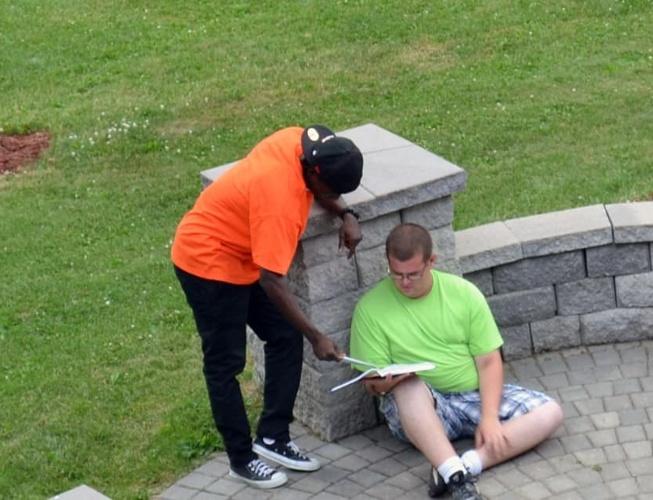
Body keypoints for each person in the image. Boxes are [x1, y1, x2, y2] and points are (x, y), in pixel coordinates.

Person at [172, 125, 365, 489]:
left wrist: (346, 213)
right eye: (328, 191)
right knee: (225, 364)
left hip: (240, 255)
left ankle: (273, 437)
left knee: (283, 334)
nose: (329, 196)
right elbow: (272, 280)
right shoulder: (280, 199)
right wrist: (317, 336)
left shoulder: (301, 140)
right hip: (206, 263)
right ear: (311, 173)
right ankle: (241, 460)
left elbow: (322, 185)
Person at [350, 223, 563, 500]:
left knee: (550, 413)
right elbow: (370, 384)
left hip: (472, 397)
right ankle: (457, 478)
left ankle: (461, 466)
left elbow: (489, 361)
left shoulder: (464, 293)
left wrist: (489, 420)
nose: (404, 282)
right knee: (408, 387)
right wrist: (381, 384)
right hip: (421, 408)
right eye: (396, 274)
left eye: (413, 274)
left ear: (432, 262)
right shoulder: (370, 308)